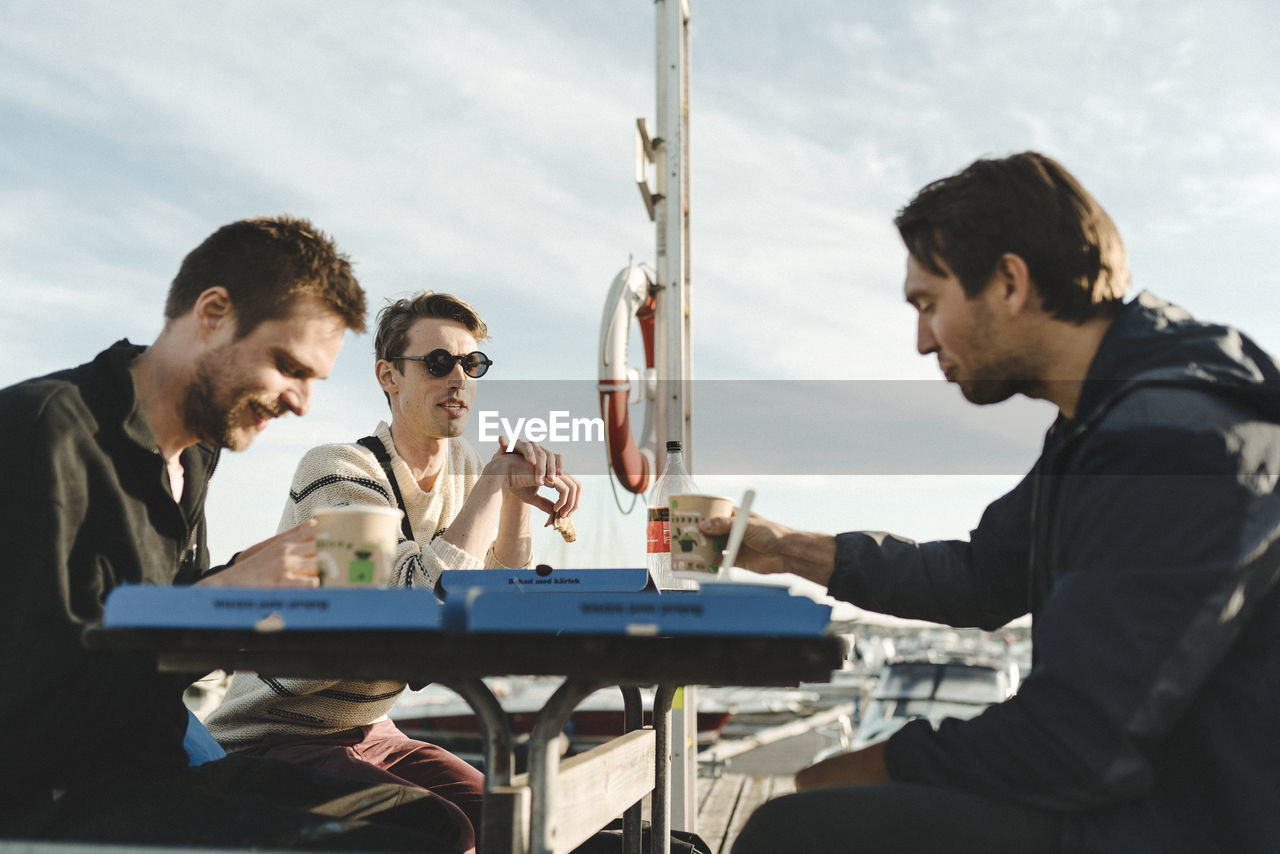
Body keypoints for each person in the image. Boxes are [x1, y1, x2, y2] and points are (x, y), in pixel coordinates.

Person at [707, 152, 1280, 854]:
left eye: (928, 304)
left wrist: (885, 763)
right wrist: (779, 546)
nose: (922, 341)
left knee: (799, 834)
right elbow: (981, 578)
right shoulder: (1106, 419)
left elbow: (1078, 743)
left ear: (1009, 282)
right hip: (1145, 799)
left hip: (1194, 822)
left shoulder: (1175, 439)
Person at [0, 217, 475, 852]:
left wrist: (246, 582)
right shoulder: (44, 434)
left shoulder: (192, 455)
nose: (302, 402)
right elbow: (44, 695)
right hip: (57, 795)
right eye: (287, 366)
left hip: (160, 767)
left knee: (439, 823)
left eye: (315, 380)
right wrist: (225, 591)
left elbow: (137, 628)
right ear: (214, 314)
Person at [205, 290, 582, 836]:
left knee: (512, 822)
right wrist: (493, 484)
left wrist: (515, 504)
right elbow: (416, 598)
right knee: (441, 832)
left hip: (372, 730)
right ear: (389, 376)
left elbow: (499, 601)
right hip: (276, 734)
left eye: (471, 364)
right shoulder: (336, 469)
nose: (459, 378)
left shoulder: (467, 469)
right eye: (437, 362)